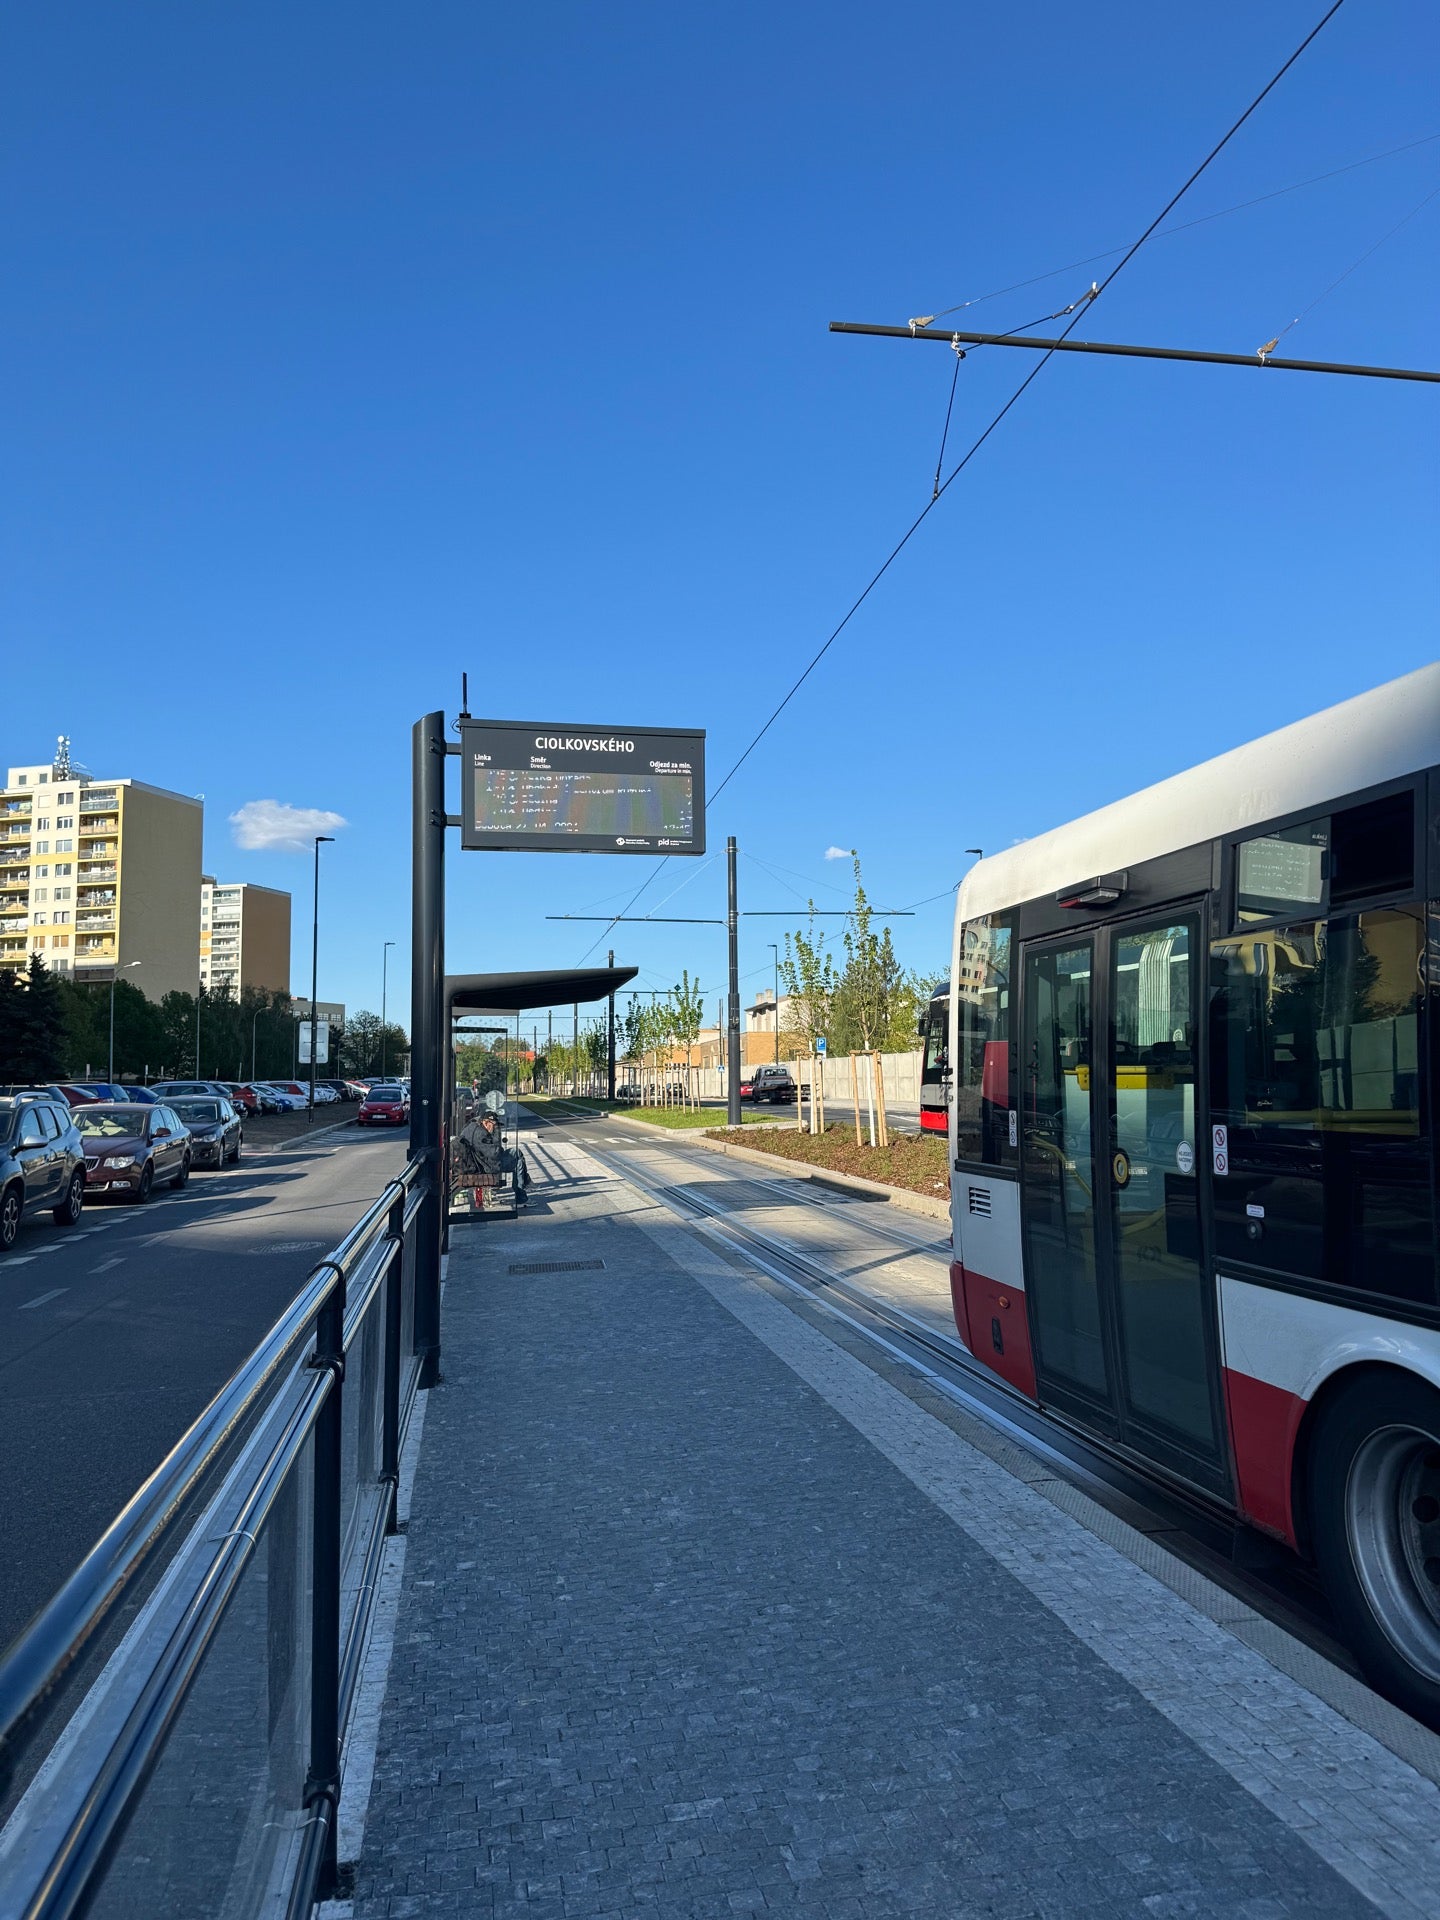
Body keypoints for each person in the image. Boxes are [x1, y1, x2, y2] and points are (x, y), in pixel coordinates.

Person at [457, 1107, 529, 1203]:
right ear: (486, 1123)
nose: (495, 1128)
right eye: (494, 1125)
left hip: (477, 1163)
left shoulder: (471, 1127)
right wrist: (496, 1136)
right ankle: (522, 1195)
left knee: (517, 1155)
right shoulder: (481, 1134)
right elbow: (495, 1154)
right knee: (518, 1160)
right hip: (486, 1167)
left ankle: (524, 1187)